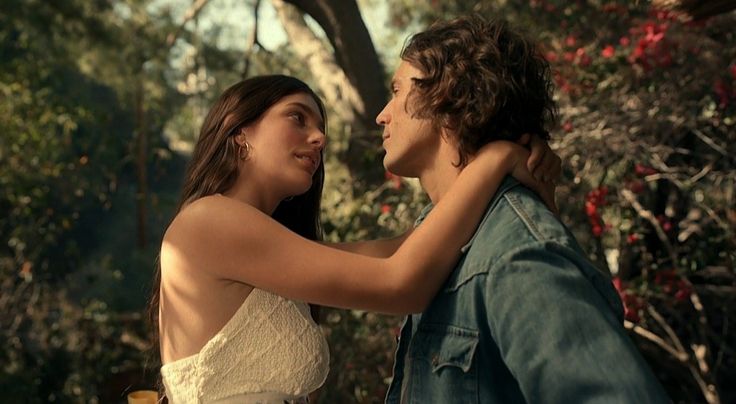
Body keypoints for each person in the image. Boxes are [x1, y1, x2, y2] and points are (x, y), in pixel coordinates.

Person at [151, 74, 557, 403]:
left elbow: (405, 249)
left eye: (320, 128)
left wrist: (504, 176)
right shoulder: (210, 221)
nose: (320, 138)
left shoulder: (258, 244)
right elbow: (400, 283)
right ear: (239, 131)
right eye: (298, 118)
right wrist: (498, 158)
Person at [376, 15, 671, 403]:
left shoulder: (515, 253)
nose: (383, 114)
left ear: (446, 97)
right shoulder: (438, 240)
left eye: (397, 91)